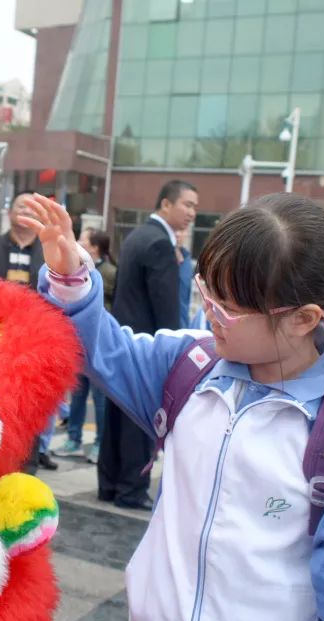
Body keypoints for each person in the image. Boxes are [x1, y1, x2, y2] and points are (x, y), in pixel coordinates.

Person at [22, 191, 324, 621]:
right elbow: (104, 351)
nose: (209, 312)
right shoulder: (192, 367)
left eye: (229, 306)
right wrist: (69, 274)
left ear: (304, 318)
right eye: (206, 288)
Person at [95, 180, 197, 510]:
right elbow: (166, 309)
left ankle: (109, 485)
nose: (192, 213)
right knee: (141, 420)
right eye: (187, 205)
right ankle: (131, 490)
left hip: (124, 338)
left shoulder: (138, 236)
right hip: (148, 345)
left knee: (115, 417)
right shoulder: (159, 244)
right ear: (166, 205)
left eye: (195, 207)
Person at [0, 190, 56, 471]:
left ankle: (27, 465)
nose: (24, 213)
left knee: (31, 405)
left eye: (31, 209)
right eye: (19, 207)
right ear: (10, 213)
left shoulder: (48, 251)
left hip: (34, 339)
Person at [53, 229, 116, 464]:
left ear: (95, 248)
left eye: (84, 240)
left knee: (100, 398)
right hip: (77, 341)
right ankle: (74, 439)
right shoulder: (75, 268)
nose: (78, 243)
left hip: (99, 342)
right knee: (78, 393)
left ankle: (100, 443)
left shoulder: (109, 272)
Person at [175, 227, 195, 330]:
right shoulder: (161, 259)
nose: (177, 234)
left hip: (183, 325)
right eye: (175, 230)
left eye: (181, 230)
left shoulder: (187, 260)